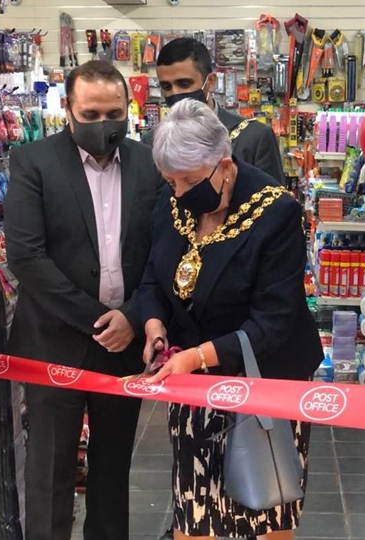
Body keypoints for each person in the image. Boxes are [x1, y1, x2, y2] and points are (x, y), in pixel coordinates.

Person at [136, 99, 322, 540]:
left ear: (224, 165)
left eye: (188, 181)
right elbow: (152, 279)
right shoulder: (174, 200)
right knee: (194, 508)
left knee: (265, 505)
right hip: (193, 387)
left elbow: (274, 321)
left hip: (266, 382)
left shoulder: (276, 212)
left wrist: (197, 357)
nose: (178, 193)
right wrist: (154, 326)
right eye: (169, 181)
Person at [3, 60, 164, 540]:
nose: (103, 125)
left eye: (114, 113)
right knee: (50, 471)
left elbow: (164, 251)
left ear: (129, 109)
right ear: (68, 109)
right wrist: (103, 321)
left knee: (112, 471)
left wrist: (133, 317)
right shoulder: (32, 162)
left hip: (126, 345)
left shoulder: (149, 164)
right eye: (91, 114)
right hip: (54, 342)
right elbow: (26, 258)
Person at [141, 37, 285, 184]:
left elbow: (277, 203)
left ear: (210, 82)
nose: (174, 93)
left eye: (184, 84)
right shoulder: (152, 141)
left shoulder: (253, 137)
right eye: (166, 87)